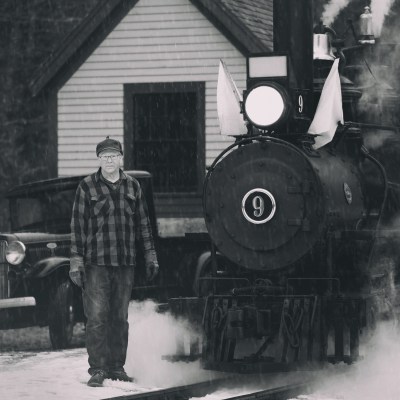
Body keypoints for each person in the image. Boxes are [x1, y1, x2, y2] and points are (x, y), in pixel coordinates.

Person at [69, 136, 159, 387]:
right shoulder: (86, 187)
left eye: (113, 156)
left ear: (121, 159)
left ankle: (117, 367)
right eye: (104, 156)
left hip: (125, 263)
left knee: (119, 317)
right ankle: (97, 369)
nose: (109, 160)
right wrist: (76, 261)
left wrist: (150, 255)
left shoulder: (133, 187)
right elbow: (77, 227)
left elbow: (144, 225)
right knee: (97, 318)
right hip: (95, 263)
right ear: (99, 159)